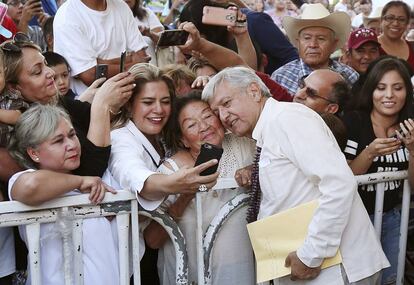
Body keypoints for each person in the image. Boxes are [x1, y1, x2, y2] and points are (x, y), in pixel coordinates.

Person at [202, 66, 389, 284]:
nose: (223, 116)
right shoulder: (271, 127)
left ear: (254, 91)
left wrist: (312, 255)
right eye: (216, 112)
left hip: (338, 269)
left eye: (226, 103)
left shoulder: (288, 119)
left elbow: (339, 184)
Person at [143, 91, 255, 285]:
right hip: (190, 275)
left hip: (240, 272)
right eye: (192, 125)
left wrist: (255, 168)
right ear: (183, 140)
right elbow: (153, 239)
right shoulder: (170, 172)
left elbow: (275, 162)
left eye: (207, 116)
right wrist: (186, 194)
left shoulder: (243, 147)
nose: (204, 127)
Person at [7, 104, 118, 285]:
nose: (72, 145)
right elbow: (32, 186)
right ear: (34, 153)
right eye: (59, 141)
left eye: (72, 135)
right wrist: (80, 182)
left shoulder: (95, 183)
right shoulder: (22, 179)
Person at [342, 56, 414, 285]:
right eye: (381, 88)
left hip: (393, 219)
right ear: (371, 90)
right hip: (355, 220)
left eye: (398, 88)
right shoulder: (354, 121)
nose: (389, 95)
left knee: (391, 280)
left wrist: (413, 149)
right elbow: (344, 178)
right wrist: (369, 153)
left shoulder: (410, 126)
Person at [53, 0, 150, 95]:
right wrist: (130, 62)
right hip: (90, 104)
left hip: (128, 96)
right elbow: (90, 75)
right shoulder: (67, 16)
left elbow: (143, 58)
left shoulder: (121, 6)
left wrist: (100, 63)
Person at [271, 3, 358, 97]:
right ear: (298, 42)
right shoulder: (281, 77)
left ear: (334, 44)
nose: (313, 45)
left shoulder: (350, 75)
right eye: (307, 38)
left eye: (321, 39)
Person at [124, 0, 164, 66]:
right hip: (123, 72)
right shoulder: (111, 17)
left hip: (150, 70)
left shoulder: (147, 13)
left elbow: (164, 41)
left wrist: (149, 33)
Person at [378, 1, 414, 70]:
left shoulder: (412, 47)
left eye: (401, 20)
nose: (395, 23)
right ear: (381, 20)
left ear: (407, 24)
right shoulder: (371, 47)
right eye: (390, 18)